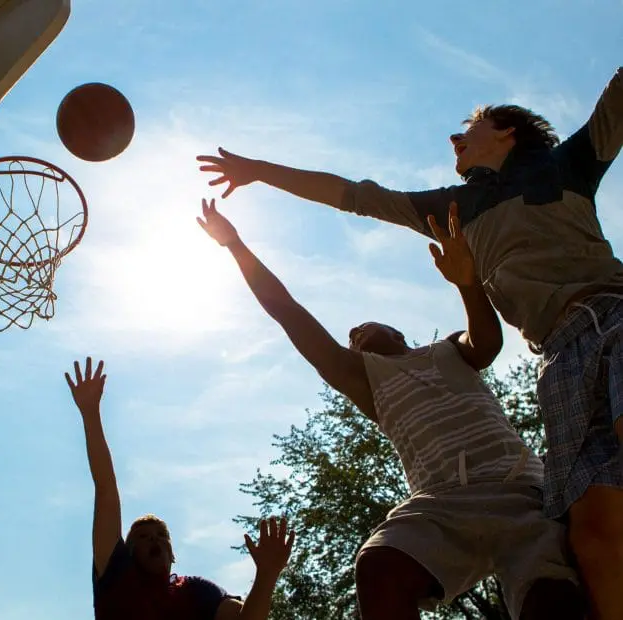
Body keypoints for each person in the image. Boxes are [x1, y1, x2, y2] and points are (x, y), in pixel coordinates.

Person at [197, 67, 623, 619]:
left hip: (595, 349)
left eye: (470, 126)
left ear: (508, 133)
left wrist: (469, 285)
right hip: (547, 372)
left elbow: (486, 344)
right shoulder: (452, 216)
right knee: (590, 537)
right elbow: (351, 200)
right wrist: (256, 177)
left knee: (567, 576)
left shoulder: (565, 165)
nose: (454, 137)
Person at [197, 198, 584, 620]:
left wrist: (468, 285)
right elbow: (288, 313)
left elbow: (487, 344)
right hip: (441, 503)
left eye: (362, 326)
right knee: (379, 564)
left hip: (519, 488)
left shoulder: (446, 349)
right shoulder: (365, 378)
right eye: (350, 338)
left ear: (397, 331)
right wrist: (235, 244)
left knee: (552, 598)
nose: (353, 334)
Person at [66, 357, 295, 620]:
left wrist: (266, 575)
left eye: (161, 535)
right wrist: (90, 413)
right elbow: (106, 489)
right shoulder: (117, 574)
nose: (154, 539)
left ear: (173, 554)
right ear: (127, 552)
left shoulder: (195, 590)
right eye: (143, 537)